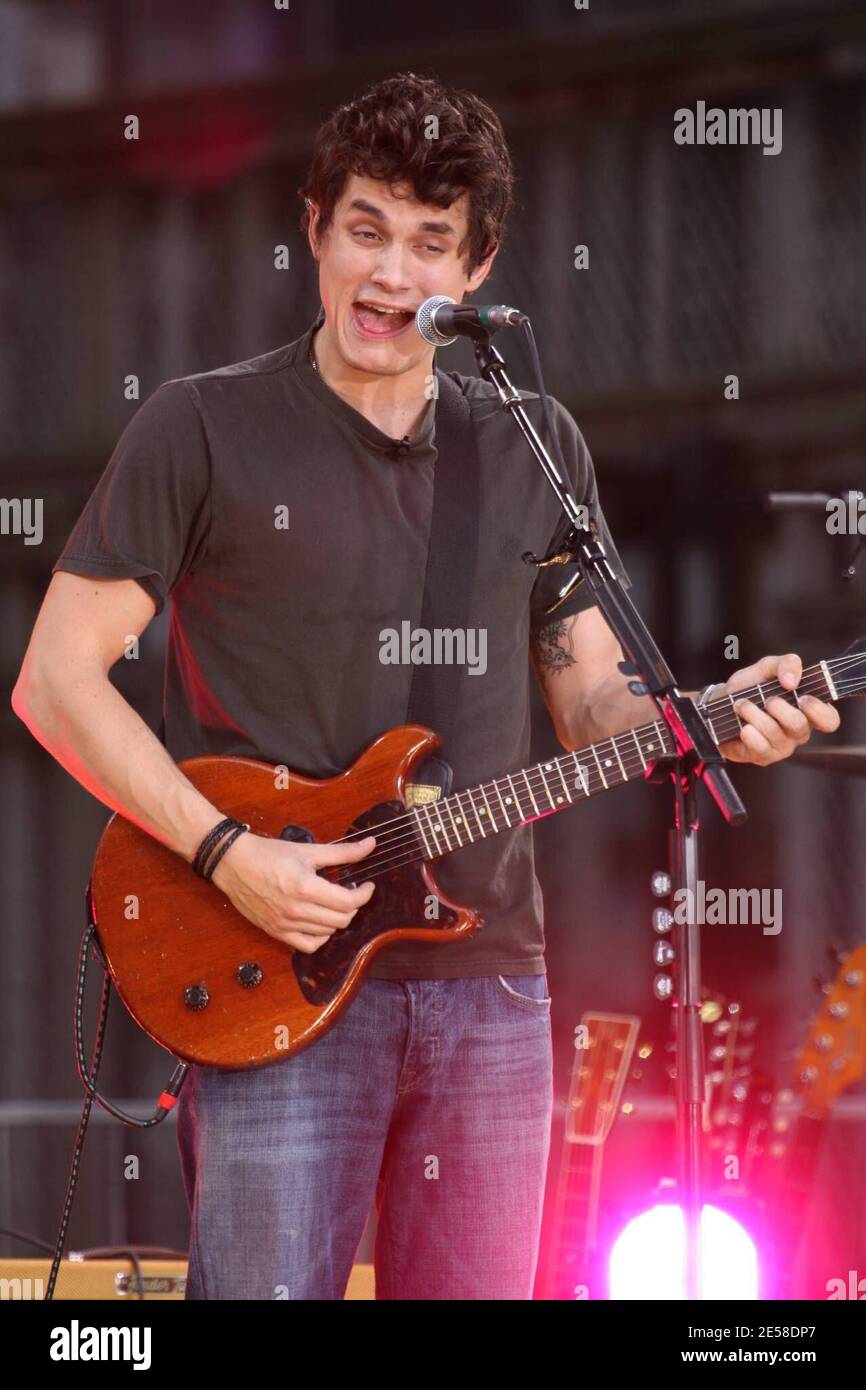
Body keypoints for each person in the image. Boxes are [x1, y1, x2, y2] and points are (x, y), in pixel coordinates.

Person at [11, 72, 839, 1300]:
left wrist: (720, 724)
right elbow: (55, 683)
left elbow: (598, 711)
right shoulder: (201, 428)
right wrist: (227, 849)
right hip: (272, 974)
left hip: (489, 981)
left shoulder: (532, 440)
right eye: (366, 230)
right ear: (314, 229)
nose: (390, 276)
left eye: (427, 244)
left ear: (479, 269)